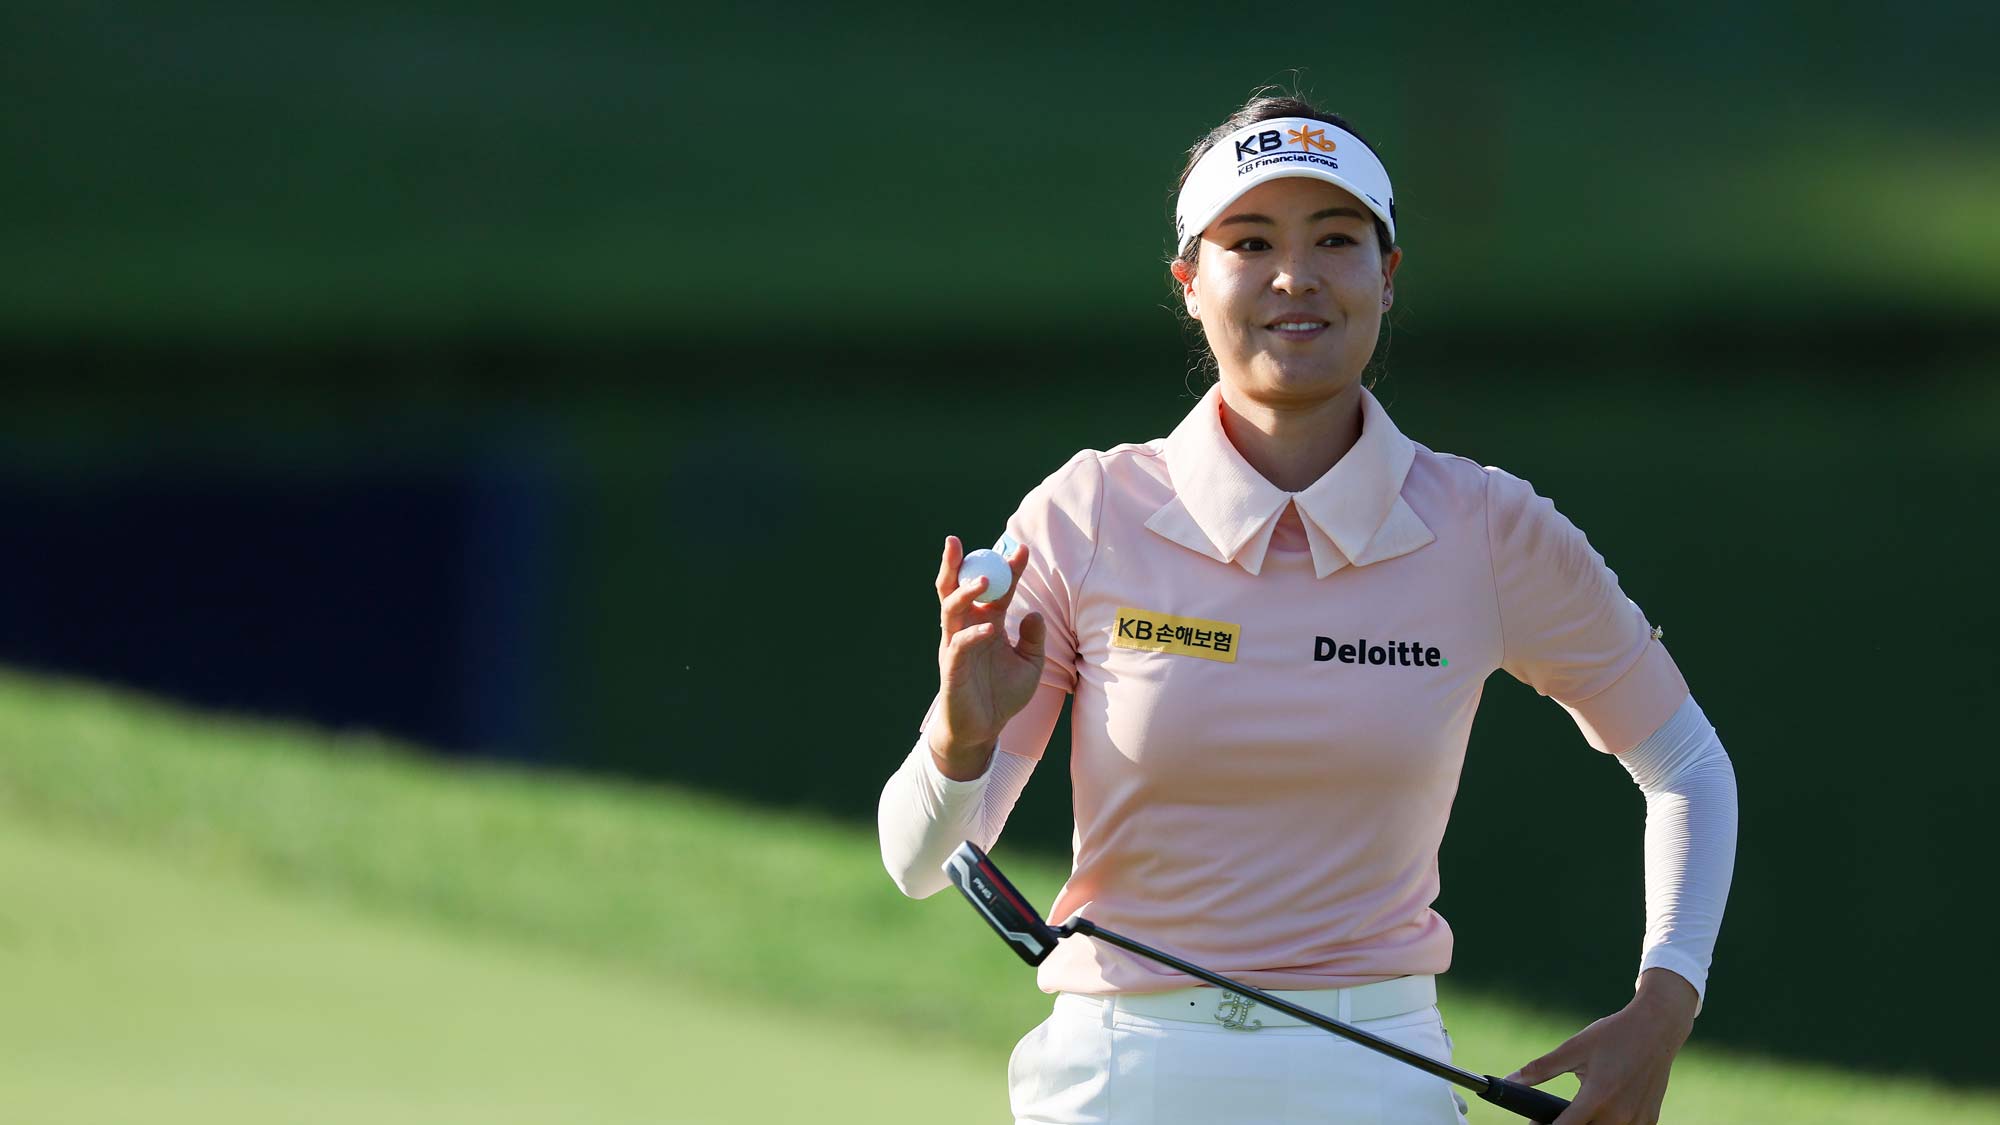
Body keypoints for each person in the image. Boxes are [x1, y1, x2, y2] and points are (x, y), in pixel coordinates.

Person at [878, 93, 1738, 1125]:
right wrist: (958, 737)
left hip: (1379, 1074)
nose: (1296, 275)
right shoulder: (1087, 513)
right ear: (1189, 283)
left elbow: (1685, 767)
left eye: (1334, 239)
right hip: (1116, 1079)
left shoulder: (1487, 528)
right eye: (1249, 242)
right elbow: (919, 864)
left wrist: (1662, 1006)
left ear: (1386, 275)